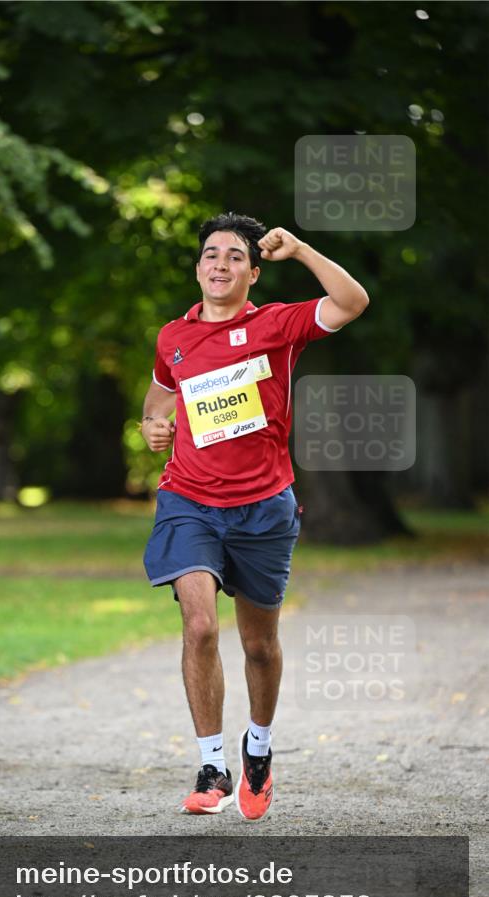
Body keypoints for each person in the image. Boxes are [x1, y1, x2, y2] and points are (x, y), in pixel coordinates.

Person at [141, 212, 369, 821]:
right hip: (188, 500)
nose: (221, 263)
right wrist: (149, 425)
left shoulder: (277, 324)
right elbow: (162, 390)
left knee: (259, 646)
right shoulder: (174, 336)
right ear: (198, 268)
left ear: (253, 271)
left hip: (264, 506)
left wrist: (301, 250)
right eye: (211, 254)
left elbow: (351, 301)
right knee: (200, 627)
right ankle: (212, 764)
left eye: (235, 256)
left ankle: (258, 750)